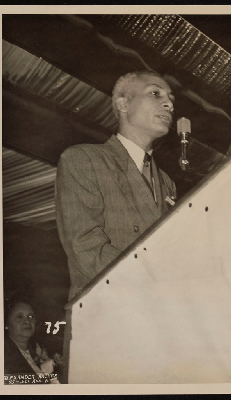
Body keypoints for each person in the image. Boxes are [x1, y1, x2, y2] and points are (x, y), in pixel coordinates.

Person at [56, 70, 177, 299]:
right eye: (155, 93)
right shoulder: (83, 159)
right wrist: (154, 286)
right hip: (108, 310)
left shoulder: (166, 182)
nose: (169, 104)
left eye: (171, 98)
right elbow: (84, 244)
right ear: (123, 104)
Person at [4, 294, 63, 384]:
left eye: (31, 316)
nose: (27, 321)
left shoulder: (36, 350)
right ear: (6, 324)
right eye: (19, 317)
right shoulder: (1, 358)